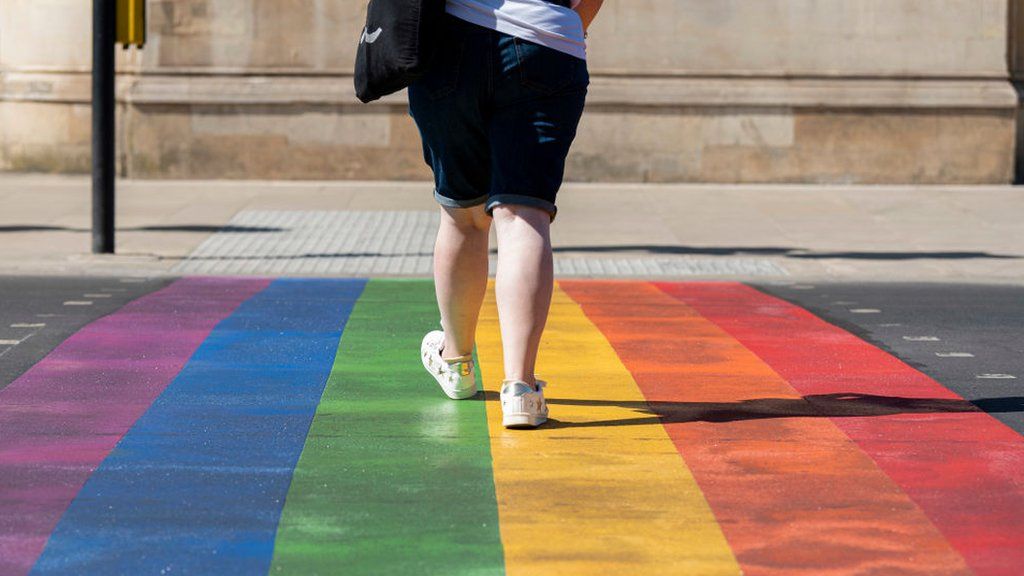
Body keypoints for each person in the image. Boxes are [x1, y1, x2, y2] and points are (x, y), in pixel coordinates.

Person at [413, 0, 603, 428]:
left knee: (462, 214)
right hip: (546, 41)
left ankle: (457, 362)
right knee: (523, 214)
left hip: (450, 41)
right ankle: (520, 388)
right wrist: (561, 25)